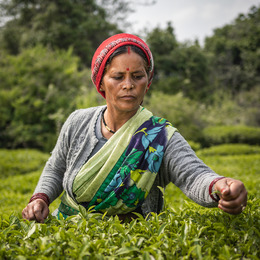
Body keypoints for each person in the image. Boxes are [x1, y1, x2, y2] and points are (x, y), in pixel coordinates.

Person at [22, 33, 247, 223]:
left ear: (147, 81)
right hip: (66, 233)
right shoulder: (77, 122)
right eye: (118, 77)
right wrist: (40, 199)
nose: (128, 85)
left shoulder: (160, 136)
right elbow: (56, 168)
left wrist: (220, 186)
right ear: (101, 82)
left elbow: (194, 175)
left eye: (137, 76)